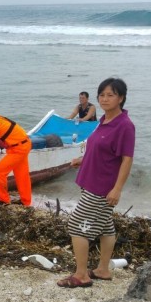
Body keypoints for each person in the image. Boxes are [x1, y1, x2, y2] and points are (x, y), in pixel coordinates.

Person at [57, 78, 135, 288]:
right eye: (102, 95)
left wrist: (117, 189)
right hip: (91, 181)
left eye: (111, 95)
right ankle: (102, 270)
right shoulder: (104, 120)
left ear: (121, 98)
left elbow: (127, 159)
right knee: (106, 228)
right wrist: (83, 160)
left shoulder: (125, 126)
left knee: (76, 225)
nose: (105, 99)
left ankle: (81, 274)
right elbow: (103, 150)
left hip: (102, 187)